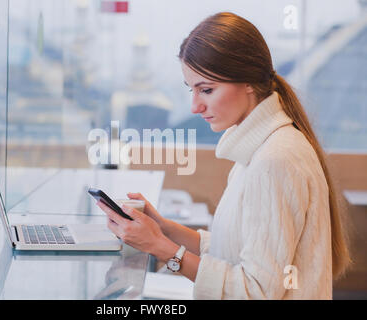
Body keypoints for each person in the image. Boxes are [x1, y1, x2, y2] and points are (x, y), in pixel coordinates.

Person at [97, 12, 351, 300]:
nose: (195, 106)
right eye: (191, 90)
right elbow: (232, 251)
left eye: (206, 90)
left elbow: (256, 291)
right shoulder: (259, 149)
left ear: (249, 83)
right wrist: (164, 229)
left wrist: (162, 248)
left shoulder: (274, 160)